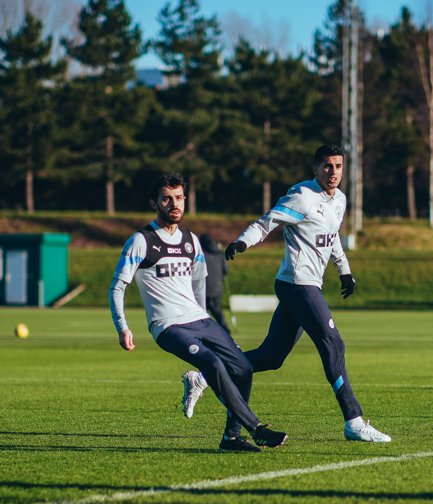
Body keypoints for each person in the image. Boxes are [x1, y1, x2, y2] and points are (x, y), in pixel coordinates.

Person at [181, 144, 391, 443]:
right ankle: (354, 420)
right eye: (327, 166)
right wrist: (242, 242)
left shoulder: (340, 200)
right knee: (333, 343)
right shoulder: (302, 196)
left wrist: (344, 270)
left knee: (272, 356)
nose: (333, 172)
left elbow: (332, 239)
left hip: (309, 285)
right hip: (297, 284)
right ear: (315, 169)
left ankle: (203, 375)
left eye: (338, 166)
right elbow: (266, 223)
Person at [111, 173, 287, 453]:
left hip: (200, 321)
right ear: (154, 203)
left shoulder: (192, 241)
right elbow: (118, 286)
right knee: (214, 365)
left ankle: (231, 438)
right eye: (167, 198)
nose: (174, 204)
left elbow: (199, 285)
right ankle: (258, 429)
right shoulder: (141, 241)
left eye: (179, 197)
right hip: (168, 326)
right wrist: (123, 326)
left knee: (243, 367)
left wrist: (206, 325)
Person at [199, 234, 232, 333]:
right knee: (216, 309)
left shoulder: (201, 254)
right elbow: (226, 270)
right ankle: (224, 327)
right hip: (217, 287)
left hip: (204, 287)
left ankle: (205, 329)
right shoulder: (220, 253)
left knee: (203, 310)